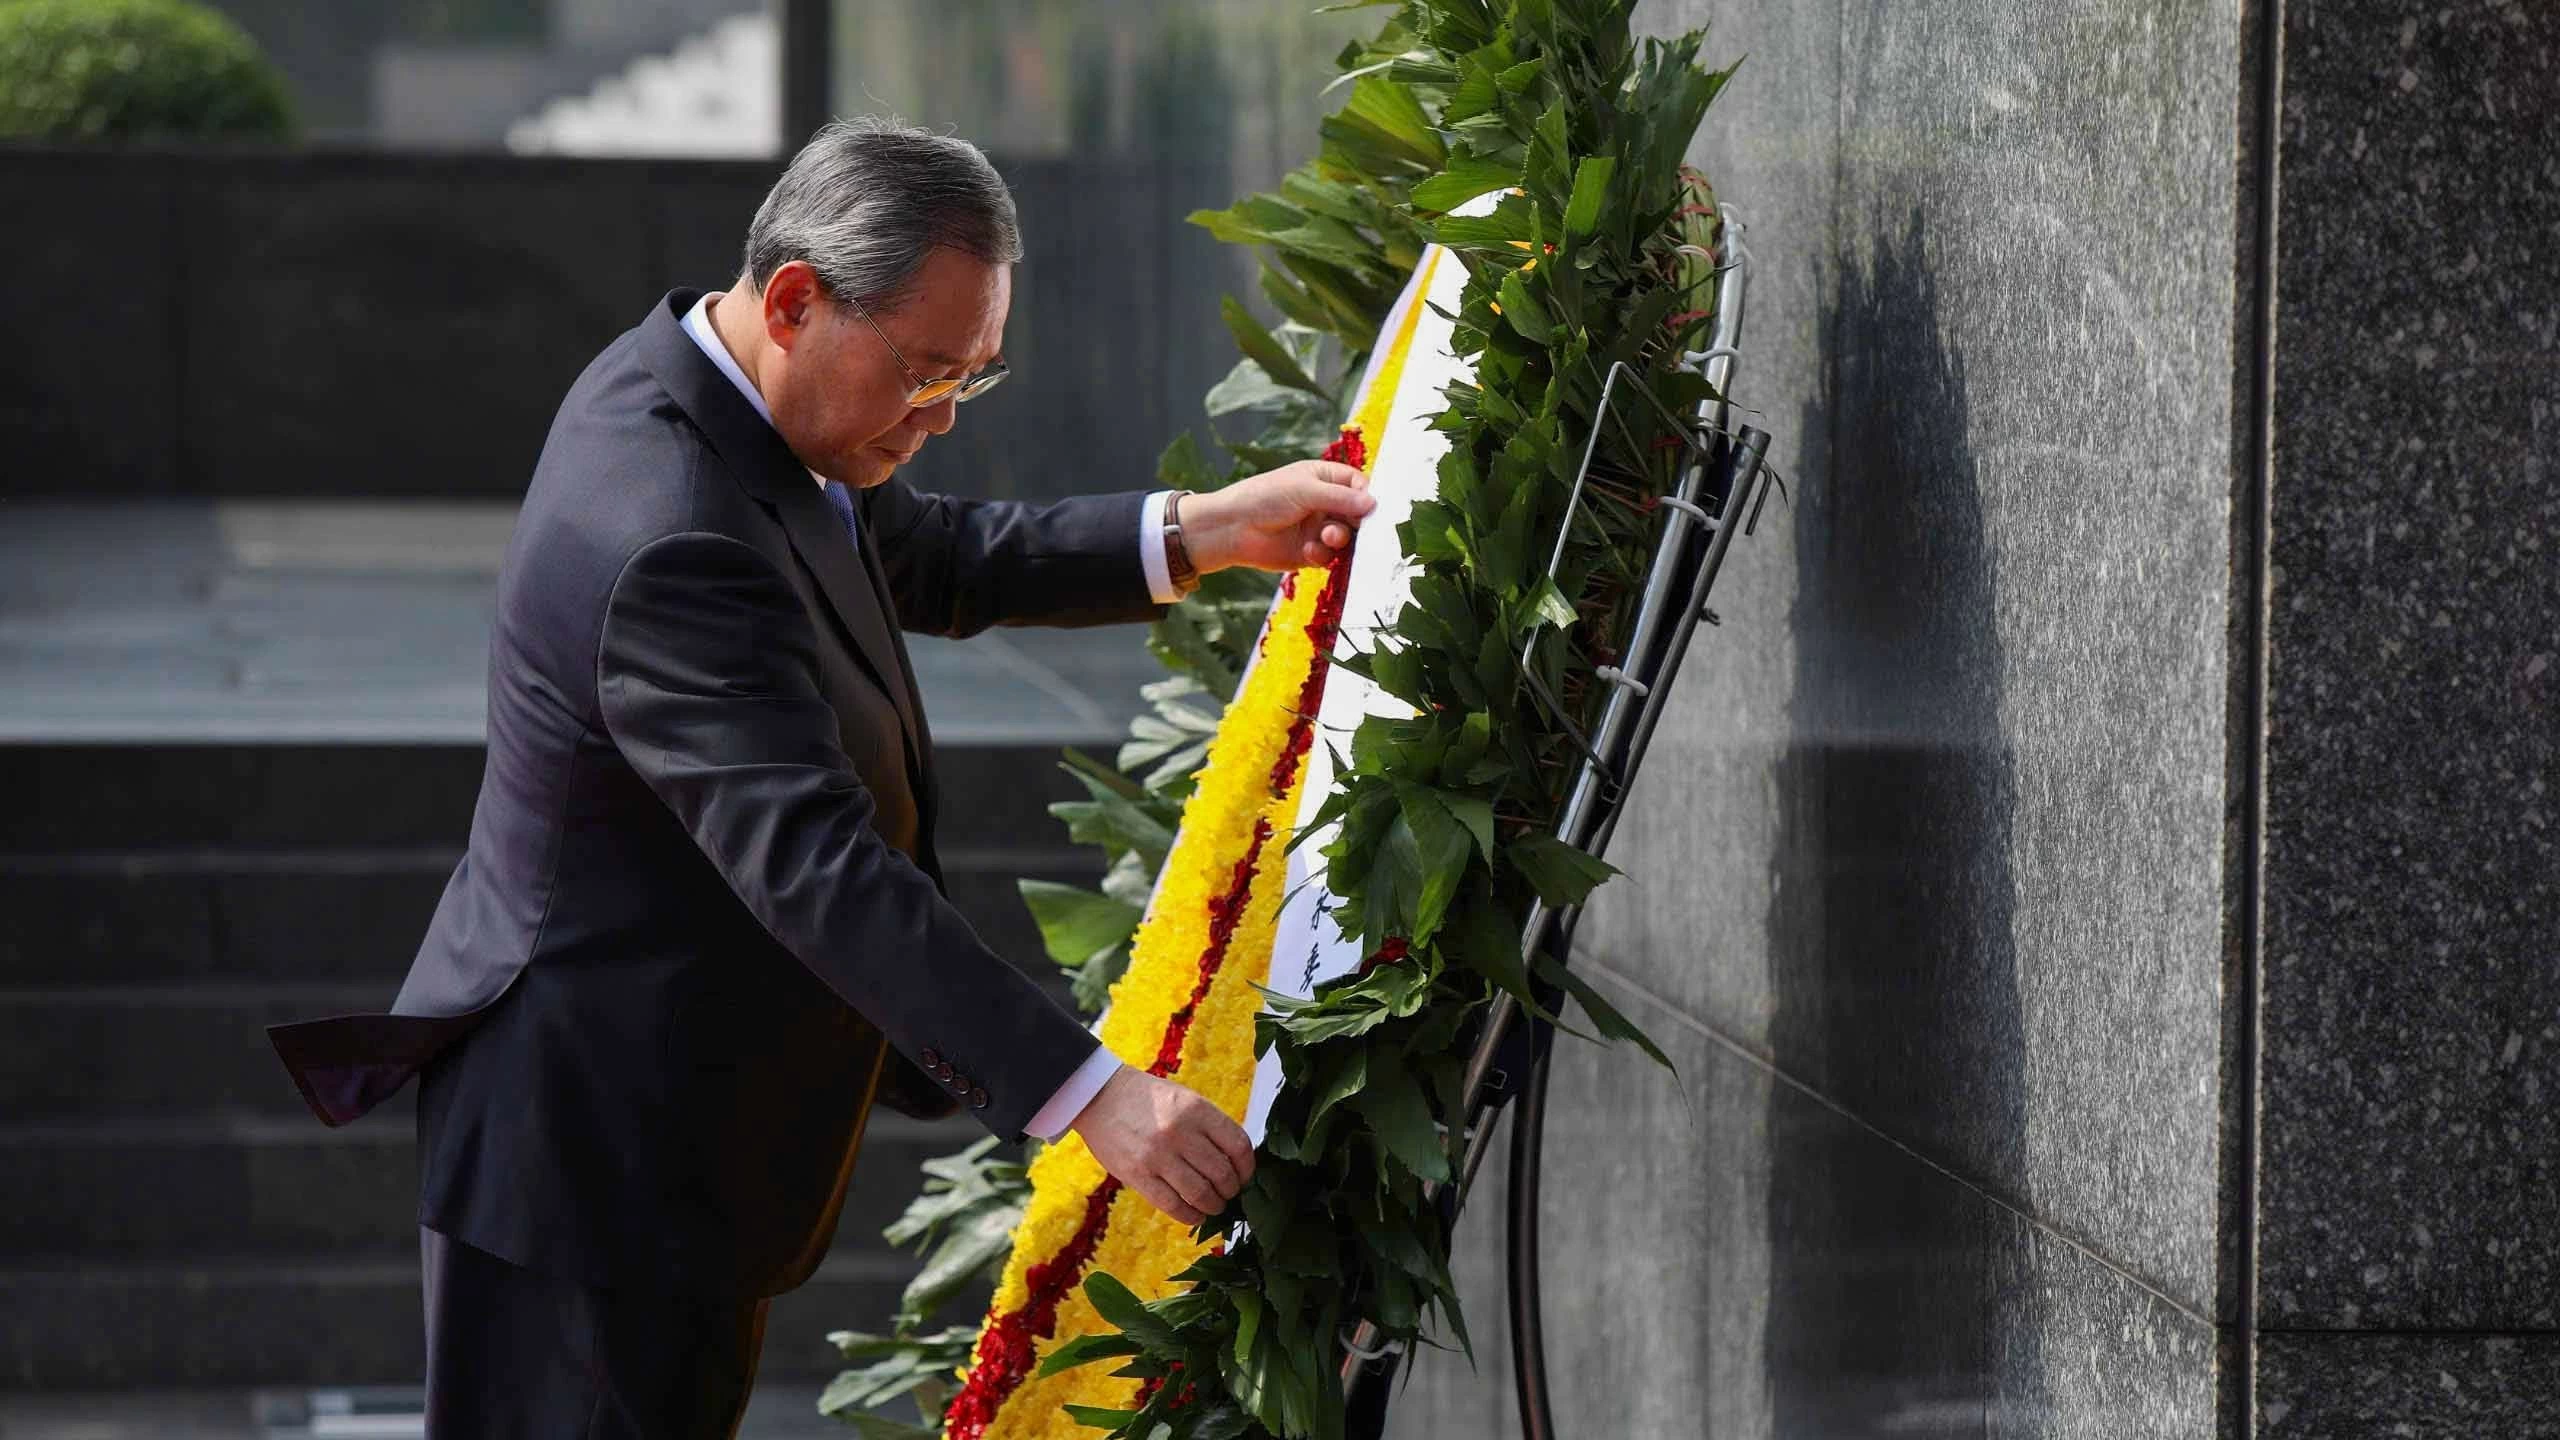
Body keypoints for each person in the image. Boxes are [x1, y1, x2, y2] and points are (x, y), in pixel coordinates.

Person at [266, 117, 1375, 1439]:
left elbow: (933, 555)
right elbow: (819, 869)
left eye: (976, 375)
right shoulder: (670, 528)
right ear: (795, 300)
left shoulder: (734, 396)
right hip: (592, 1168)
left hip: (668, 1144)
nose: (942, 417)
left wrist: (1195, 532)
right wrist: (1099, 1097)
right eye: (923, 371)